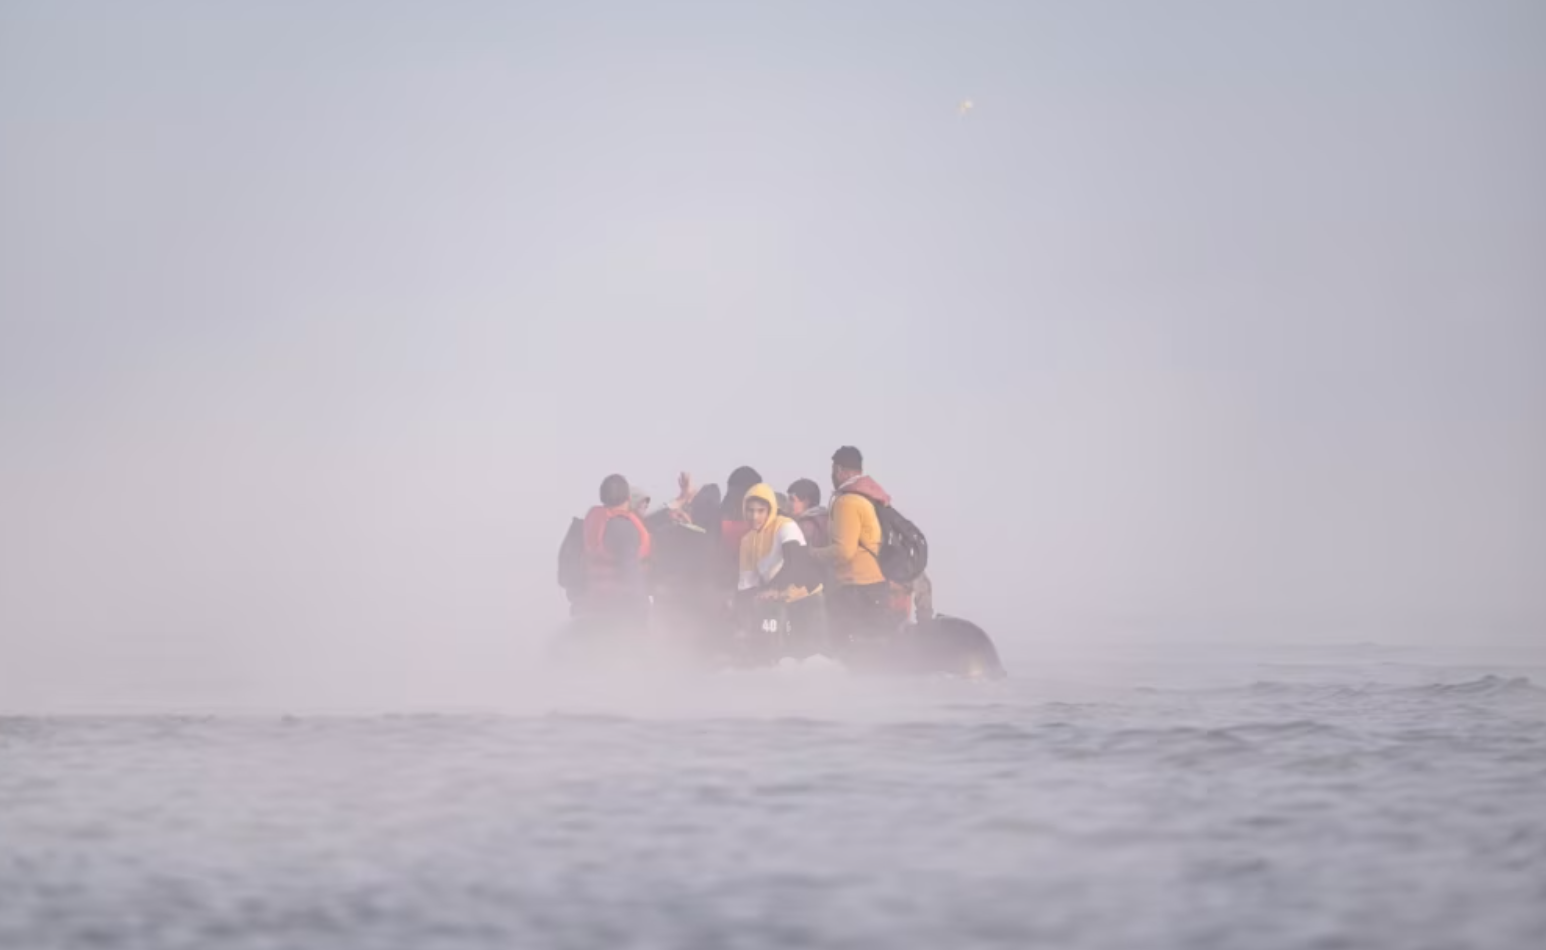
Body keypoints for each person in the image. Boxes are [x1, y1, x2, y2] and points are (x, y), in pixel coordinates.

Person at [810, 446, 897, 641]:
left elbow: (844, 551)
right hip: (876, 582)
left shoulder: (848, 502)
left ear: (839, 470)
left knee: (847, 646)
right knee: (874, 644)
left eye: (833, 470)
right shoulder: (870, 496)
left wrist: (813, 553)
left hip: (857, 586)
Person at [736, 483, 825, 658]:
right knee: (780, 654)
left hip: (807, 598)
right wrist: (736, 606)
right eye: (750, 511)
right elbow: (747, 584)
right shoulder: (747, 541)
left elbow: (795, 562)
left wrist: (774, 588)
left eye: (761, 511)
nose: (755, 516)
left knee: (813, 655)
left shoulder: (786, 526)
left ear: (770, 510)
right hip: (780, 603)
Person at [574, 473, 652, 631]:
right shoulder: (624, 527)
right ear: (628, 498)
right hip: (621, 608)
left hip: (597, 602)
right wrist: (642, 609)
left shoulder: (595, 522)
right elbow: (631, 573)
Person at [786, 478, 829, 547]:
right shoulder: (826, 520)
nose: (788, 503)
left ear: (806, 501)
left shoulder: (805, 526)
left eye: (792, 499)